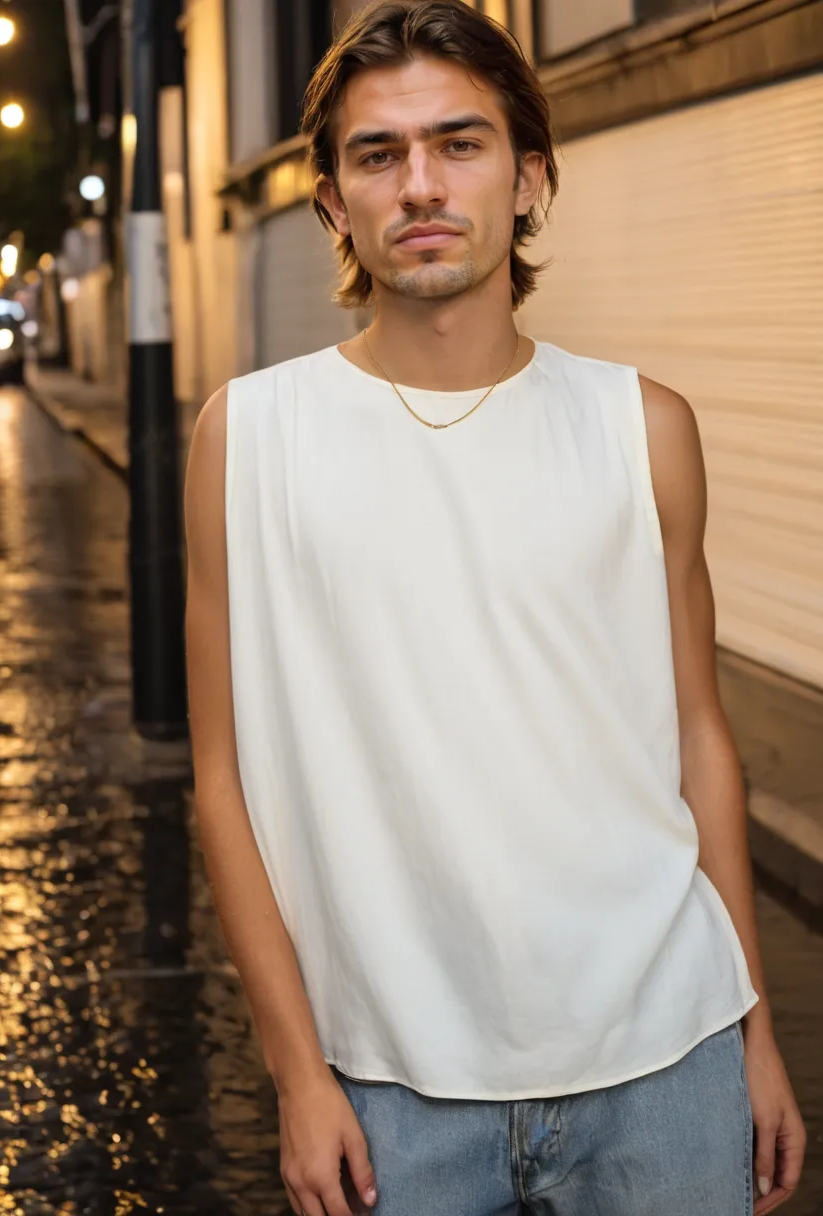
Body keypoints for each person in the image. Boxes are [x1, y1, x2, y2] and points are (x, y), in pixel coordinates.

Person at [183, 2, 806, 1213]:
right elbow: (221, 778)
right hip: (385, 1085)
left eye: (459, 144)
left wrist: (753, 1030)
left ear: (527, 180)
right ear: (331, 201)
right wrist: (294, 1074)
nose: (420, 183)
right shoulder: (248, 440)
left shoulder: (644, 428)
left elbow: (700, 739)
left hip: (665, 1056)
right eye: (379, 154)